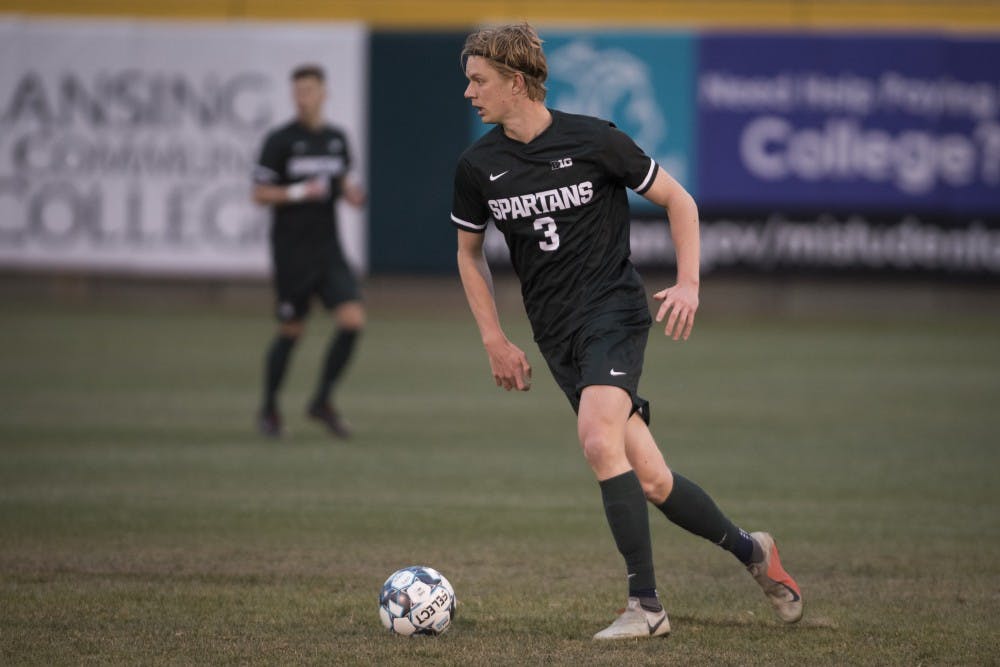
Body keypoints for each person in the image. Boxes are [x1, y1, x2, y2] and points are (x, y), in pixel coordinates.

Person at [451, 23, 802, 640]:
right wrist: (494, 339)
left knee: (595, 439)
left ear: (516, 81)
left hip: (612, 312)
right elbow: (468, 254)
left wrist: (689, 283)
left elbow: (680, 200)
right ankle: (754, 551)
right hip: (556, 336)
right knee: (652, 479)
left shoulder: (595, 140)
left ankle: (646, 607)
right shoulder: (479, 165)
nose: (469, 93)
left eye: (479, 81)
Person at [252, 64, 366, 439]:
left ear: (323, 93)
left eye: (309, 90)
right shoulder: (280, 140)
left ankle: (322, 401)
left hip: (328, 248)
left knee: (352, 321)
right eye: (298, 91)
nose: (303, 98)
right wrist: (299, 191)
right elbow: (259, 193)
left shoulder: (336, 138)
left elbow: (341, 179)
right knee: (292, 329)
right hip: (293, 252)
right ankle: (269, 409)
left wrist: (350, 193)